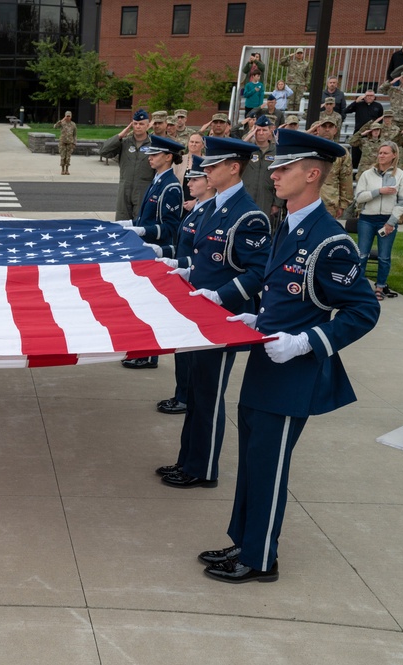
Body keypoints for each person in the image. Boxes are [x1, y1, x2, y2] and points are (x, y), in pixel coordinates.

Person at [201, 129, 380, 584]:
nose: (274, 174)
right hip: (266, 364)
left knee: (270, 466)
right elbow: (283, 297)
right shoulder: (290, 223)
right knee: (253, 462)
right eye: (275, 166)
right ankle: (245, 541)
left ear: (312, 173)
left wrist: (305, 342)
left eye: (285, 167)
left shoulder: (330, 240)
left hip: (294, 374)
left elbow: (363, 310)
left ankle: (261, 559)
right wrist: (257, 321)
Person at [157, 136, 270, 489]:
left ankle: (203, 468)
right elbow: (208, 258)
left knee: (208, 395)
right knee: (196, 393)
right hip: (201, 315)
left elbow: (257, 272)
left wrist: (221, 296)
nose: (205, 170)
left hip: (223, 319)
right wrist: (188, 272)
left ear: (234, 168)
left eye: (212, 165)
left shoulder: (249, 215)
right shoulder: (213, 206)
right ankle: (188, 459)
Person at [153, 156, 214, 415]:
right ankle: (183, 393)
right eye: (189, 177)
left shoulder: (209, 212)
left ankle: (185, 397)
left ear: (209, 182)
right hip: (184, 282)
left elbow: (202, 257)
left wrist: (174, 260)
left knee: (189, 351)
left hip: (195, 284)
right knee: (183, 349)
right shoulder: (199, 208)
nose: (189, 182)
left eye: (196, 178)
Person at [119, 135, 184, 370]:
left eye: (155, 154)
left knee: (150, 304)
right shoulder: (157, 180)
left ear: (168, 157)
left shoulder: (171, 187)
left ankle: (149, 355)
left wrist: (141, 231)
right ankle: (141, 350)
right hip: (143, 248)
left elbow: (169, 228)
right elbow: (144, 217)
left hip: (156, 250)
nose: (150, 158)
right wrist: (128, 224)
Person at [355, 141, 403, 300]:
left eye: (385, 153)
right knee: (361, 255)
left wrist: (391, 222)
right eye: (380, 153)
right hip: (366, 220)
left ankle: (380, 287)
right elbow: (358, 198)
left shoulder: (401, 176)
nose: (381, 156)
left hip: (387, 221)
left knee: (384, 257)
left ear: (394, 155)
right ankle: (358, 287)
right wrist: (379, 191)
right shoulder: (367, 174)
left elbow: (402, 203)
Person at [100, 109, 155, 221]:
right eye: (135, 124)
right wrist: (120, 135)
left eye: (141, 124)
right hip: (125, 188)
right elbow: (104, 151)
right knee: (122, 222)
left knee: (141, 223)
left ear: (148, 125)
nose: (138, 126)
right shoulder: (125, 143)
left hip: (143, 189)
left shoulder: (153, 145)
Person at [242, 116, 283, 224]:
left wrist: (277, 203)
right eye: (258, 130)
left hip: (266, 200)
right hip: (246, 198)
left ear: (270, 132)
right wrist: (249, 135)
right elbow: (235, 150)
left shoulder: (277, 152)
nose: (260, 133)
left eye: (264, 130)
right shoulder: (247, 150)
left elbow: (282, 178)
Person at [314, 117, 352, 220]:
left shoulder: (341, 152)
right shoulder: (309, 149)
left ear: (335, 130)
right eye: (324, 126)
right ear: (318, 129)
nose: (327, 129)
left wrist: (343, 204)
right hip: (307, 201)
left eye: (330, 127)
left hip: (330, 203)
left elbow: (346, 179)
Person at [344, 90, 384, 169]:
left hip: (371, 133)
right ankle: (354, 174)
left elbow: (380, 120)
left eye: (371, 95)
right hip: (359, 132)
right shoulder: (359, 104)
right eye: (367, 95)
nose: (369, 97)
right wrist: (356, 101)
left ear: (374, 97)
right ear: (364, 96)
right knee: (356, 154)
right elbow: (346, 111)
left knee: (370, 155)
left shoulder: (378, 106)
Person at [279, 48, 311, 113]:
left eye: (300, 53)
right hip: (291, 84)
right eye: (298, 53)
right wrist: (289, 55)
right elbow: (281, 62)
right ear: (295, 54)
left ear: (303, 54)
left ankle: (296, 116)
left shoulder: (306, 64)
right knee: (290, 100)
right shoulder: (291, 63)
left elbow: (308, 74)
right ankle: (289, 115)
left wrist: (306, 84)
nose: (299, 55)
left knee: (298, 101)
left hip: (301, 85)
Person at [54, 110, 77, 175]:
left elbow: (75, 134)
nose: (68, 117)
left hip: (70, 142)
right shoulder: (62, 123)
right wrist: (62, 120)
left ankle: (67, 170)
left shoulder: (73, 124)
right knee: (62, 156)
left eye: (69, 116)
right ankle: (62, 170)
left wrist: (74, 143)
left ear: (71, 116)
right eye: (67, 116)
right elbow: (55, 126)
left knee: (68, 157)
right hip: (62, 142)